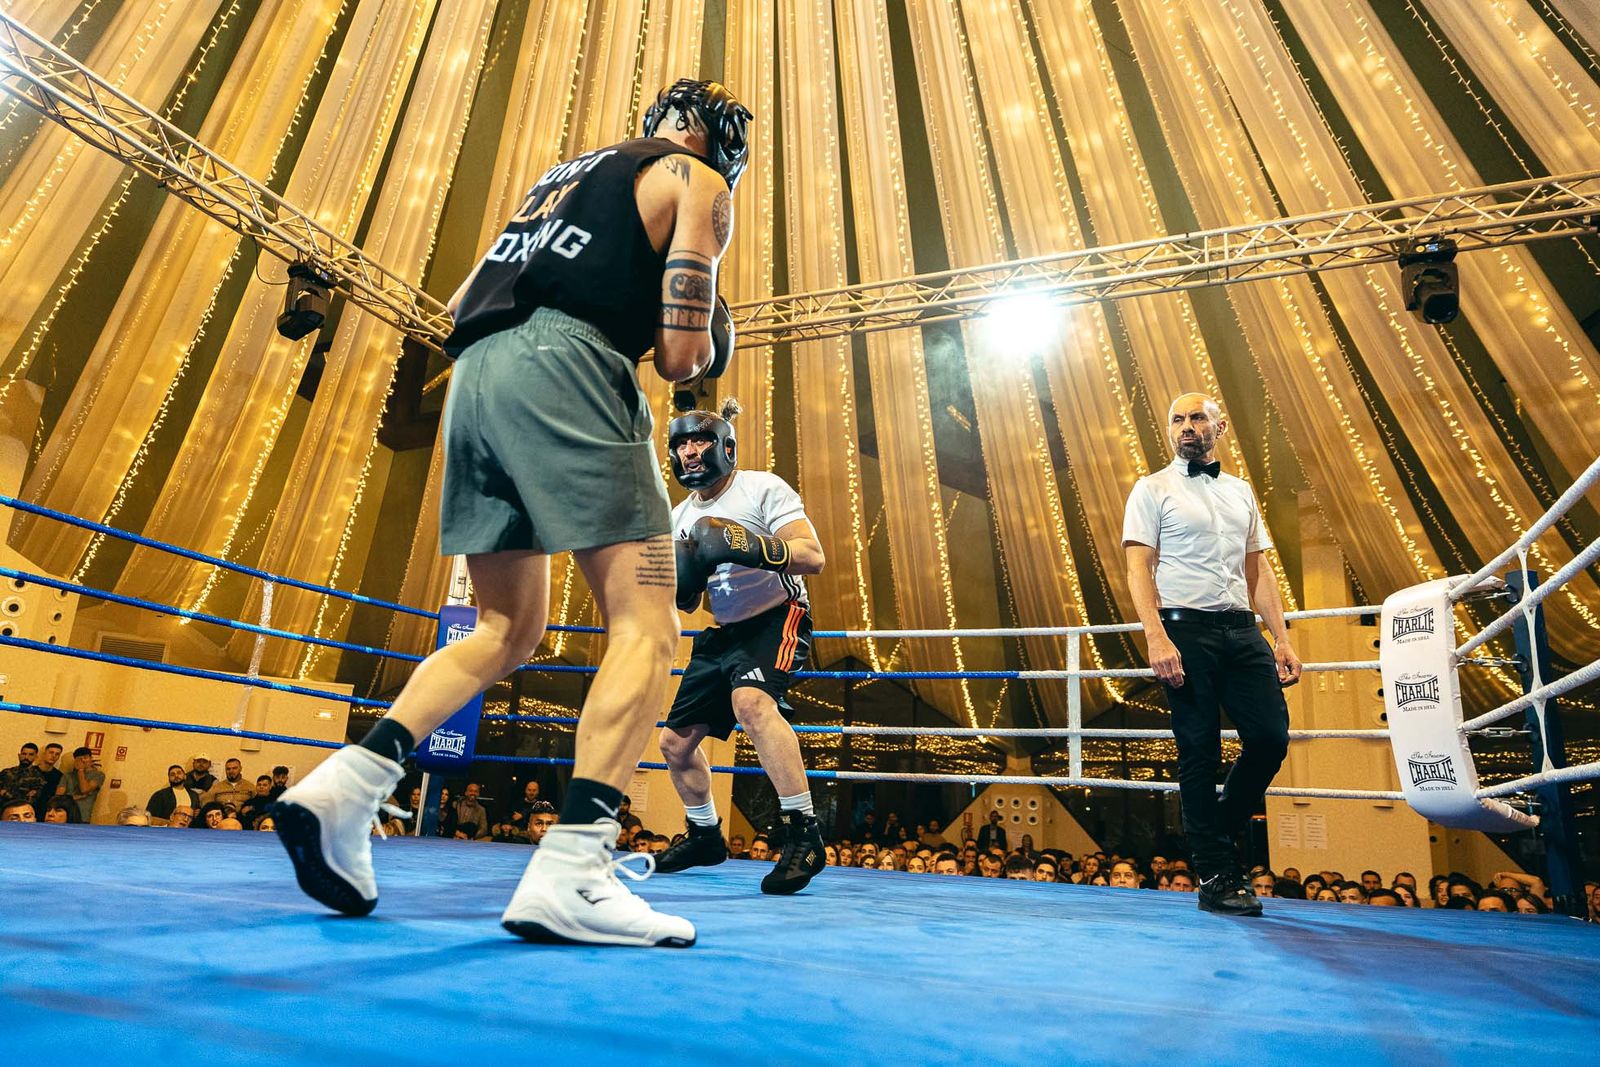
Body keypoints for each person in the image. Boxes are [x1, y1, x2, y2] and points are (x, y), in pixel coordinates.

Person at [271, 78, 751, 949]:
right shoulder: (699, 182)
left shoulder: (560, 176)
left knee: (506, 624)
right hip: (570, 366)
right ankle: (576, 863)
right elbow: (682, 362)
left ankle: (347, 785)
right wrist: (714, 323)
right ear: (714, 139)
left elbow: (456, 310)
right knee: (649, 625)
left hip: (477, 380)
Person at [1122, 392, 1300, 917]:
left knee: (1270, 738)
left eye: (1197, 418)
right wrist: (1155, 637)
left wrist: (1281, 637)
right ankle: (1218, 872)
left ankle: (1213, 830)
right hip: (1184, 629)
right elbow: (1139, 569)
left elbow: (1259, 570)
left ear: (1219, 427)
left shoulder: (1241, 491)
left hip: (1242, 629)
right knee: (1198, 751)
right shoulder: (1151, 488)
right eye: (1177, 419)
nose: (1186, 427)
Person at [652, 397, 828, 895]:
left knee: (751, 703)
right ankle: (705, 835)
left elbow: (813, 557)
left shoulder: (763, 487)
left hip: (777, 617)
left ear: (725, 446)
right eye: (681, 443)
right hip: (723, 632)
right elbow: (687, 601)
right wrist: (683, 583)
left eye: (699, 440)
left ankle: (803, 832)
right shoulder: (680, 515)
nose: (689, 451)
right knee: (674, 744)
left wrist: (748, 544)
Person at [62, 747, 104, 823]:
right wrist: (74, 797)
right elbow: (58, 797)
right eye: (79, 759)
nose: (83, 761)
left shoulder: (98, 775)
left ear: (91, 758)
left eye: (85, 758)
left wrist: (80, 770)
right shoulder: (67, 775)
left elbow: (84, 789)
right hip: (65, 816)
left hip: (83, 817)